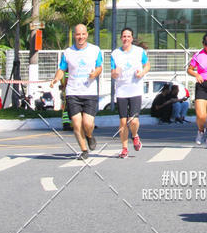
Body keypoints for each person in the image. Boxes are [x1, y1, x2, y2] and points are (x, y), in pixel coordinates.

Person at [50, 23, 102, 159]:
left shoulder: (95, 50)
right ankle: (84, 150)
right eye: (78, 34)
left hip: (89, 92)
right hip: (73, 92)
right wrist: (56, 79)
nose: (81, 37)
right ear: (74, 35)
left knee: (88, 123)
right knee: (77, 124)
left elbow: (99, 67)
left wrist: (94, 74)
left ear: (87, 35)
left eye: (83, 34)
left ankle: (90, 136)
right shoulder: (68, 52)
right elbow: (62, 69)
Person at [111, 27, 150, 157]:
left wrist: (142, 73)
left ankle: (135, 135)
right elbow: (112, 72)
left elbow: (147, 65)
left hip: (135, 90)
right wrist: (115, 73)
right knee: (123, 122)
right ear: (121, 38)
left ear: (132, 38)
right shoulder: (115, 54)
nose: (126, 38)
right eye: (124, 36)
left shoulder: (139, 52)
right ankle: (124, 148)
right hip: (121, 91)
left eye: (128, 36)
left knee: (133, 121)